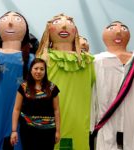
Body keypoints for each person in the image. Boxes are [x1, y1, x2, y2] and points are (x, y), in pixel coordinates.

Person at [36, 14, 95, 150]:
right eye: (57, 22)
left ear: (75, 31)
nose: (63, 26)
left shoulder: (87, 61)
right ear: (48, 30)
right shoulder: (43, 59)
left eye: (69, 22)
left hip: (80, 121)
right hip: (49, 121)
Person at [0, 11, 34, 150]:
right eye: (5, 19)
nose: (10, 23)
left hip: (22, 114)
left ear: (25, 30)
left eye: (16, 19)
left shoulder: (31, 60)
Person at [90, 21, 134, 150]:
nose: (118, 32)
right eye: (112, 28)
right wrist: (91, 125)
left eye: (124, 28)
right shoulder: (96, 61)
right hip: (106, 123)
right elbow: (90, 94)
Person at [10, 58, 60, 150]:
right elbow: (16, 109)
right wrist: (14, 131)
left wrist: (57, 131)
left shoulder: (52, 88)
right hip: (28, 131)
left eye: (42, 69)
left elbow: (56, 110)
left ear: (45, 71)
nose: (38, 71)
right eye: (36, 68)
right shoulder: (23, 87)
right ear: (31, 70)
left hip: (48, 132)